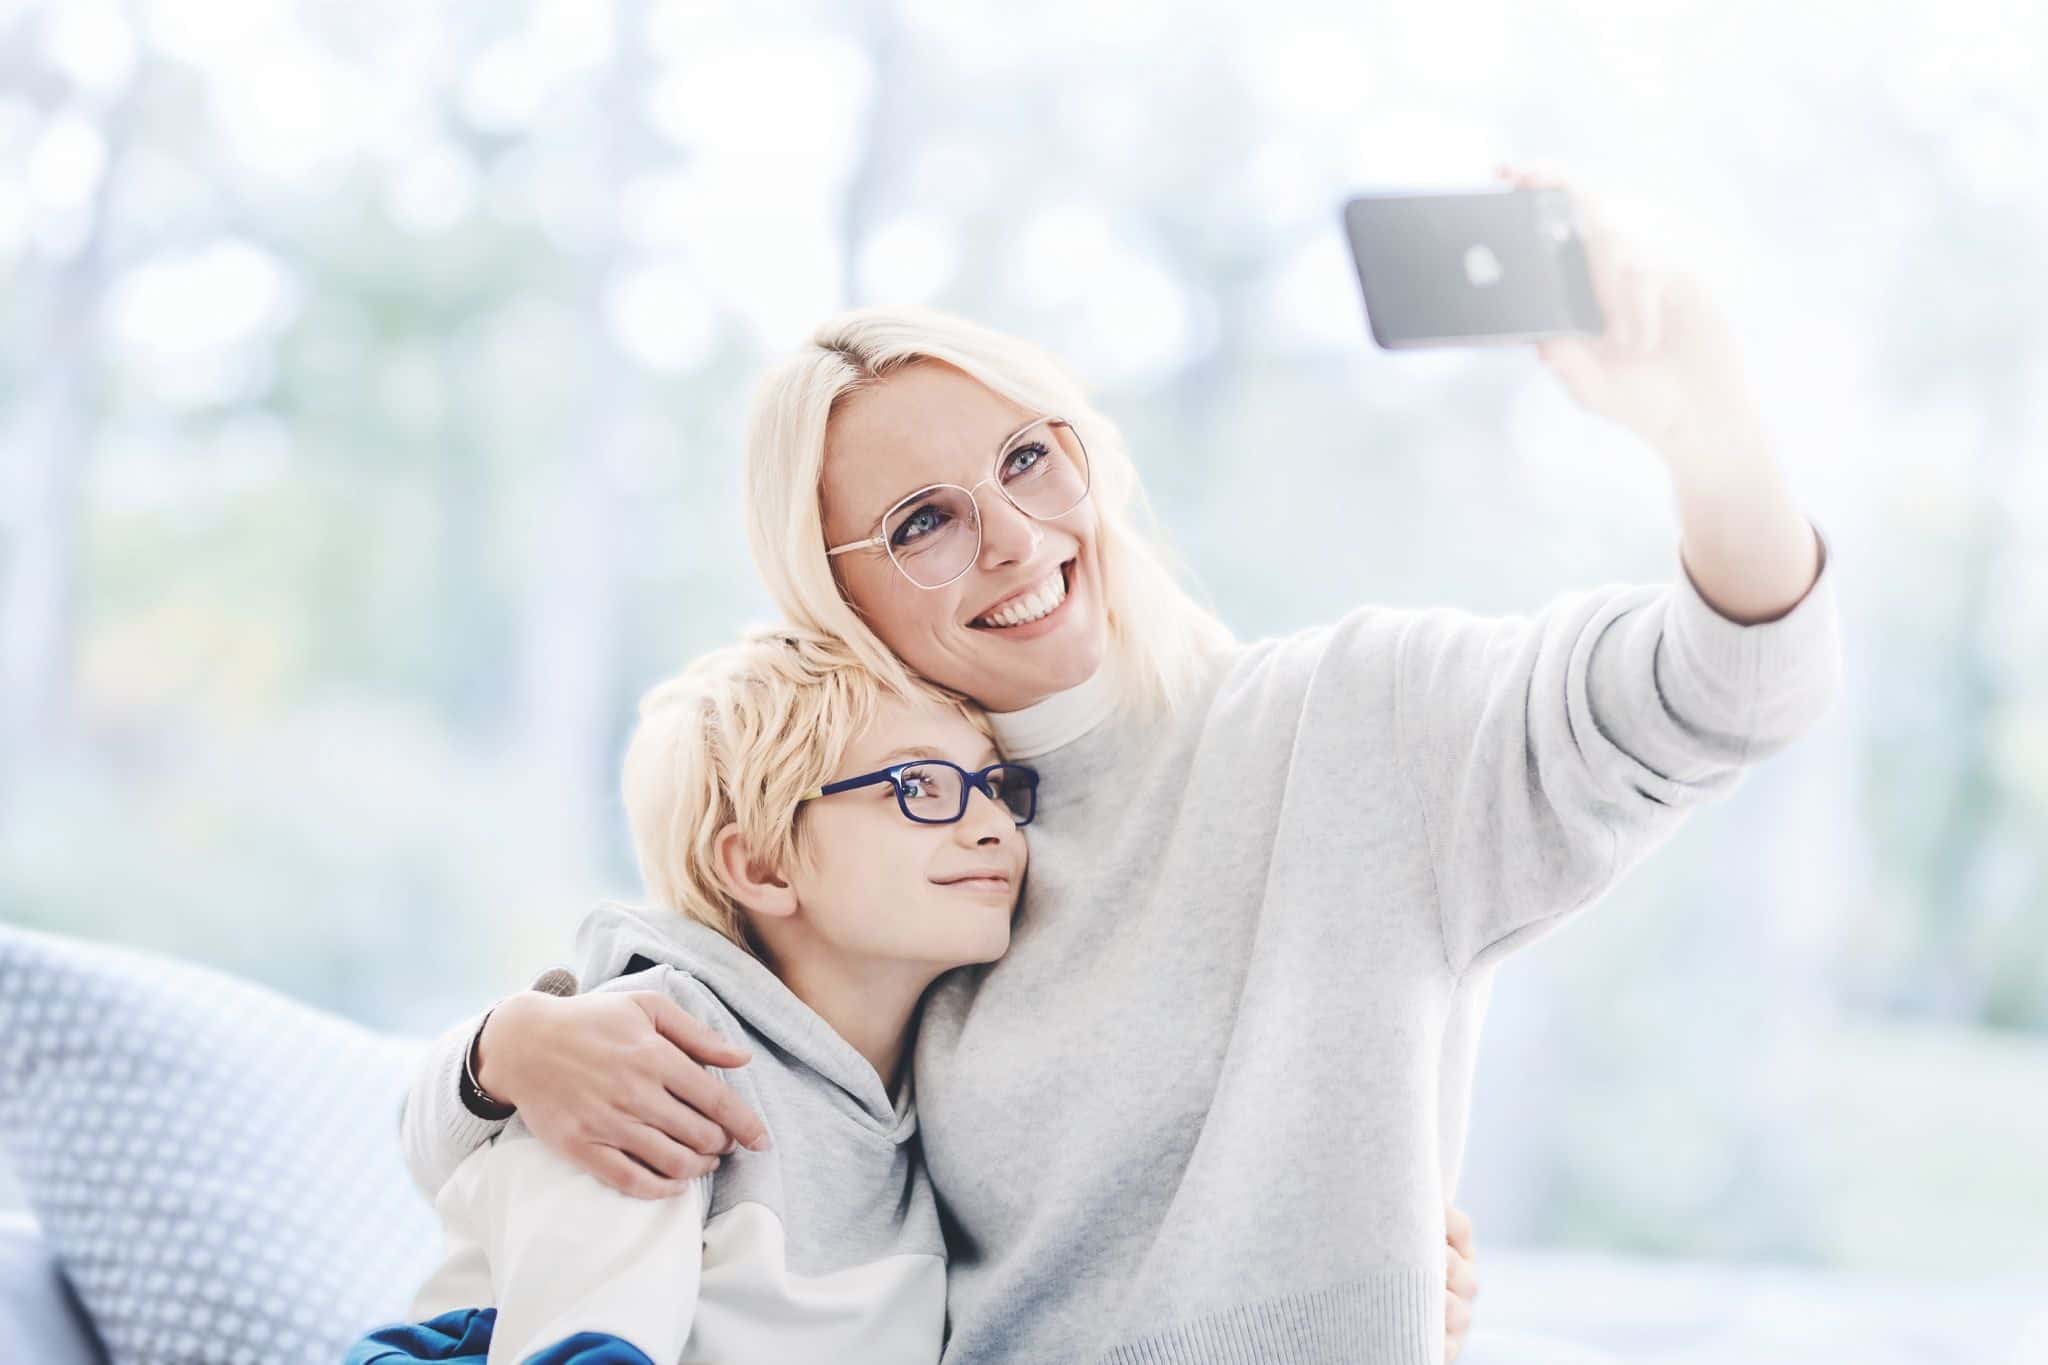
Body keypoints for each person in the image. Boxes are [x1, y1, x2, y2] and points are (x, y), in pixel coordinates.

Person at [399, 167, 1840, 1362]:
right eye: (924, 522)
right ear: (834, 595)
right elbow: (638, 1084)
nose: (1018, 540)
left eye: (1031, 459)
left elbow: (1732, 688)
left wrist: (1700, 427)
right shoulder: (888, 866)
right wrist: (495, 1054)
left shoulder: (1355, 722)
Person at [350, 629, 1036, 1363]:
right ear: (763, 866)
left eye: (993, 785)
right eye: (918, 785)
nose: (993, 825)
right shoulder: (650, 1050)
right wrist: (501, 1045)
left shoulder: (939, 1073)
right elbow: (587, 1341)